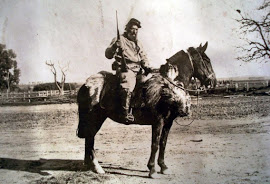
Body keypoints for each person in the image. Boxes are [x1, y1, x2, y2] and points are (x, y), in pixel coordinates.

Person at [105, 18, 151, 123]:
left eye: (136, 30)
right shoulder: (119, 39)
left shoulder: (138, 43)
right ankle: (124, 113)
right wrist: (114, 47)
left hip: (138, 69)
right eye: (132, 29)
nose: (134, 32)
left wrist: (147, 66)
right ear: (127, 29)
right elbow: (108, 54)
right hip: (125, 69)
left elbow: (143, 57)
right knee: (128, 83)